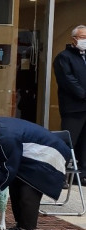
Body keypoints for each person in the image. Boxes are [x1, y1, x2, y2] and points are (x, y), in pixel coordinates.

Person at [53, 24, 86, 185]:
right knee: (68, 142)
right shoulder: (64, 57)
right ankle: (61, 175)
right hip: (73, 108)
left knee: (84, 144)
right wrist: (83, 94)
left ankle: (82, 176)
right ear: (74, 39)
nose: (85, 41)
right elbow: (67, 80)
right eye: (82, 37)